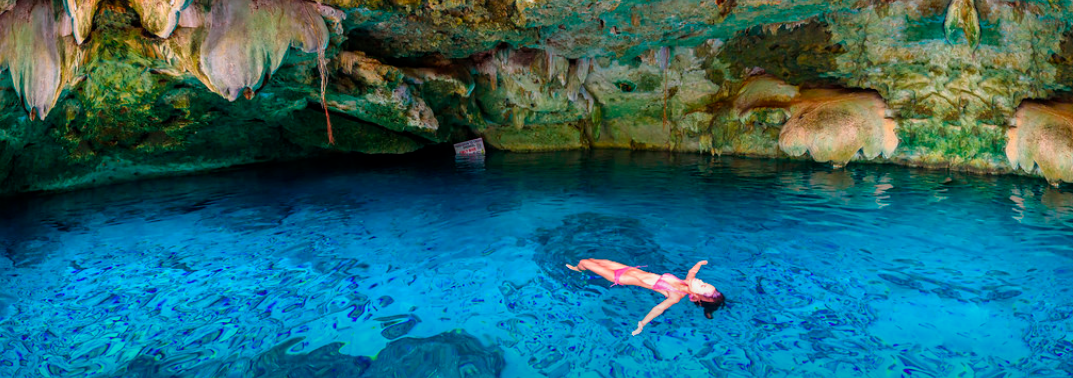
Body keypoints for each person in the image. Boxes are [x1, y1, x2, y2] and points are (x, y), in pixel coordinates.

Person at [566, 259, 726, 335]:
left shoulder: (675, 295)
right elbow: (693, 272)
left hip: (620, 278)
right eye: (705, 282)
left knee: (584, 263)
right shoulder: (688, 282)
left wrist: (642, 324)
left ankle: (577, 270)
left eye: (703, 285)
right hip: (627, 268)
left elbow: (659, 308)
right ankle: (580, 268)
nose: (701, 281)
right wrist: (700, 263)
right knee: (593, 260)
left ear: (697, 296)